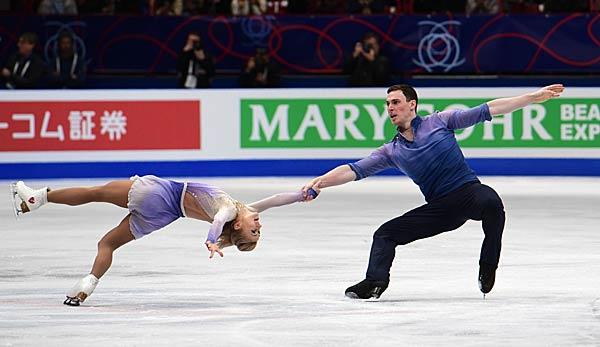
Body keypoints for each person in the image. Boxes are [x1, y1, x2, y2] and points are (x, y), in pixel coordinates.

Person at [302, 84, 565, 299]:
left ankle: (488, 266)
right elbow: (354, 169)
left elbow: (489, 109)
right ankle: (375, 281)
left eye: (395, 102)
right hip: (441, 209)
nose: (390, 108)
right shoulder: (391, 151)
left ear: (412, 104)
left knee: (493, 203)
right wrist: (321, 181)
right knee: (385, 234)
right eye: (387, 104)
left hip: (468, 191)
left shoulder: (441, 121)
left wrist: (532, 97)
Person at [11, 175, 315, 306]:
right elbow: (275, 200)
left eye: (254, 230)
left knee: (96, 193)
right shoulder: (243, 210)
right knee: (107, 244)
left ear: (238, 225)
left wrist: (212, 240)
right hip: (164, 215)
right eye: (258, 229)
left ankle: (40, 198)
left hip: (159, 194)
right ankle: (85, 286)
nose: (259, 225)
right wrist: (300, 196)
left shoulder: (229, 211)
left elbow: (220, 220)